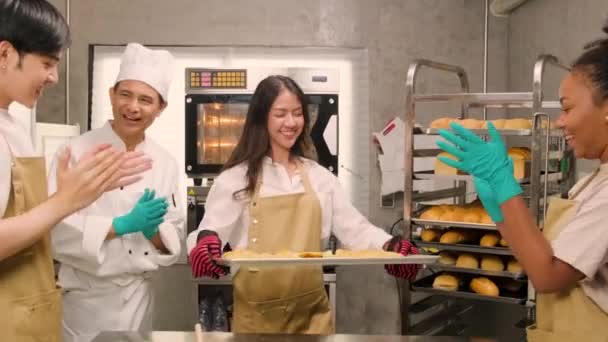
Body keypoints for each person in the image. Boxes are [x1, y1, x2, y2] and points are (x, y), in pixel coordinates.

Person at [187, 75, 420, 334]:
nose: (291, 122)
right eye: (281, 114)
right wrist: (204, 242)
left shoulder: (319, 177)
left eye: (297, 113)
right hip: (257, 322)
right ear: (261, 118)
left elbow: (355, 230)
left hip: (313, 318)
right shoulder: (235, 180)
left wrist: (390, 246)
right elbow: (209, 231)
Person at [436, 23, 608, 340]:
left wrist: (505, 186)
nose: (560, 121)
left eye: (567, 108)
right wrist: (500, 208)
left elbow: (547, 275)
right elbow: (538, 255)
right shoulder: (594, 180)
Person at [0, 1, 151, 341]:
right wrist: (64, 202)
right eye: (47, 63)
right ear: (5, 54)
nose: (53, 77)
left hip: (29, 312)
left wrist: (69, 195)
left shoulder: (12, 126)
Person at [49, 43, 185, 341]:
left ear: (160, 108)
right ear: (111, 95)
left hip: (138, 298)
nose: (133, 107)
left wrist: (153, 231)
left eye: (146, 99)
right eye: (125, 94)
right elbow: (55, 232)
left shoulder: (165, 163)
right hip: (84, 301)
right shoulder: (74, 151)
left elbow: (171, 238)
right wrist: (119, 226)